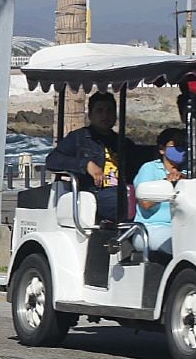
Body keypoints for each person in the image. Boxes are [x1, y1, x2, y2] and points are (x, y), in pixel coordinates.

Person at [45, 92, 137, 222]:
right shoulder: (79, 138)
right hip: (93, 194)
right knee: (123, 200)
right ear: (90, 115)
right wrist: (86, 165)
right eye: (99, 111)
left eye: (109, 111)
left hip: (123, 190)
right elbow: (52, 160)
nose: (105, 115)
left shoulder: (124, 143)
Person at [133, 128, 186, 255]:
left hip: (183, 227)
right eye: (175, 146)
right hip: (151, 227)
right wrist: (168, 184)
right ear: (162, 149)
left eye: (183, 145)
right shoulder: (150, 168)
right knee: (178, 245)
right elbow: (145, 203)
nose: (181, 150)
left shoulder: (190, 172)